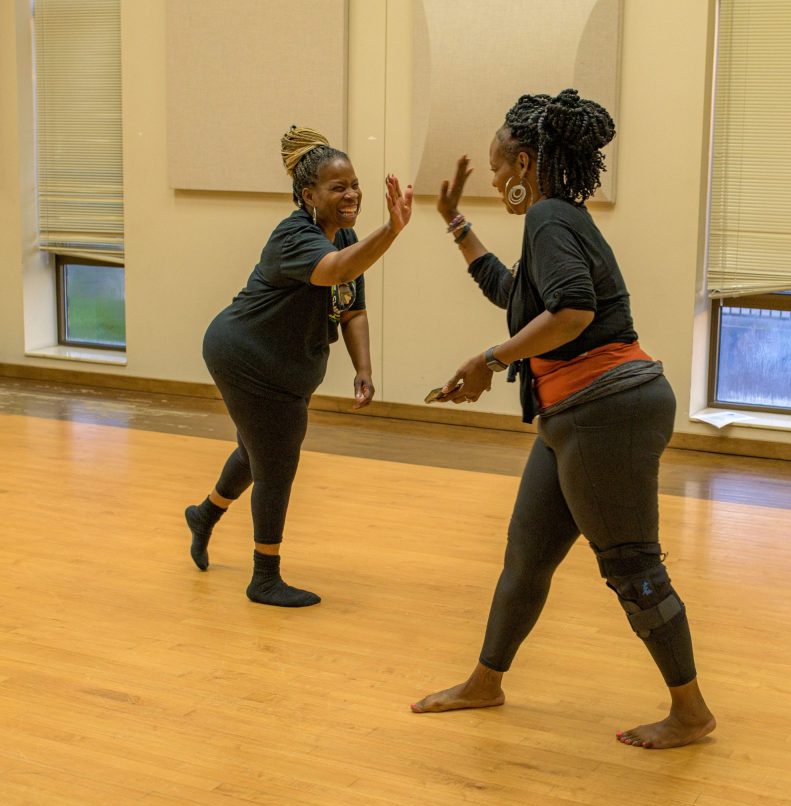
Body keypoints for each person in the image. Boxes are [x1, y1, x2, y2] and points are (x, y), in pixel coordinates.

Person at [411, 90, 715, 749]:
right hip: (572, 416)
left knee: (632, 566)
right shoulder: (556, 221)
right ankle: (484, 682)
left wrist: (490, 359)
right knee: (526, 558)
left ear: (524, 162)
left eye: (498, 167)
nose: (495, 180)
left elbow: (573, 312)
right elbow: (514, 294)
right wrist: (455, 223)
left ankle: (691, 713)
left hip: (606, 410)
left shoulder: (550, 217)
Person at [183, 126, 413, 607]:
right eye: (338, 187)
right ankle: (264, 577)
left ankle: (205, 515)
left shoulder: (344, 236)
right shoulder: (293, 237)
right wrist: (392, 230)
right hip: (246, 358)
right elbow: (337, 270)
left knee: (256, 450)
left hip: (282, 365)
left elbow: (352, 308)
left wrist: (364, 368)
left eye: (354, 185)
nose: (352, 195)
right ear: (309, 195)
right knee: (277, 461)